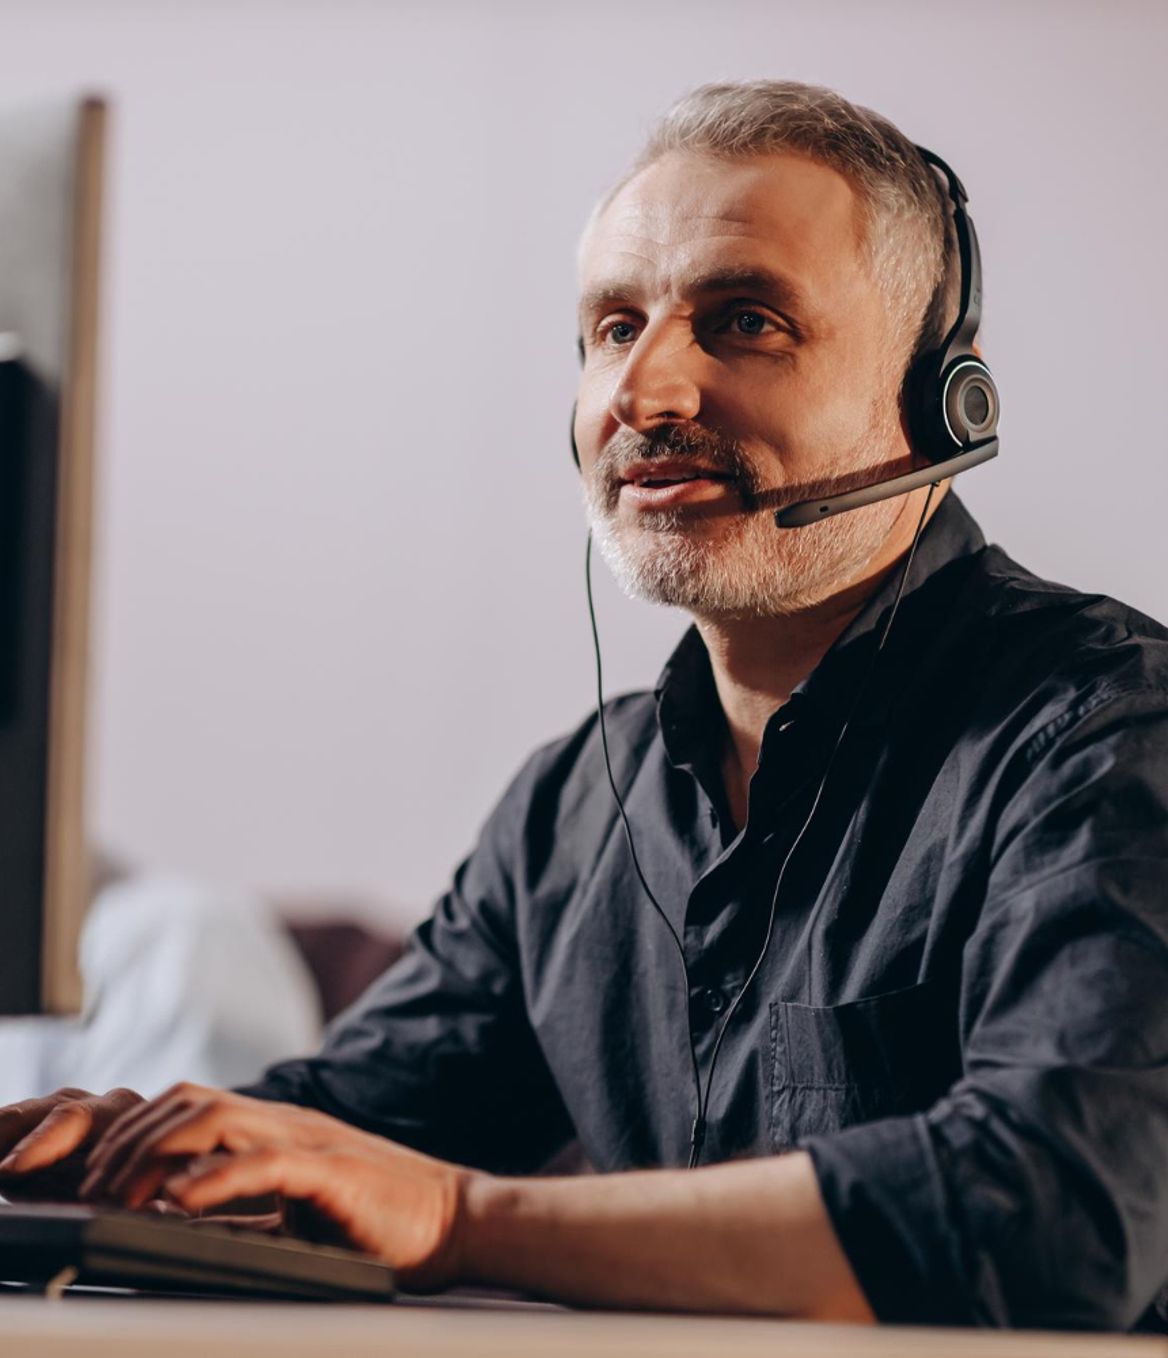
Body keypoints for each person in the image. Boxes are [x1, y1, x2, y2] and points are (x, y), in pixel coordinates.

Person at [2, 80, 1167, 1331]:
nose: (646, 391)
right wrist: (130, 1155)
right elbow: (346, 1137)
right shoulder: (576, 803)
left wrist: (464, 1217)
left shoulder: (1101, 733)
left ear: (944, 395)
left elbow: (1056, 1213)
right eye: (614, 327)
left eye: (746, 320)